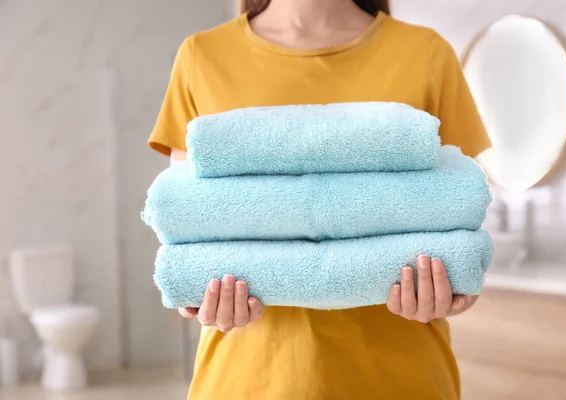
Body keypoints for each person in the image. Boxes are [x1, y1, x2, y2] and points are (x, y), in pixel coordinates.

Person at [148, 0, 491, 398]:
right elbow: (187, 226)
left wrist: (452, 296)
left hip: (401, 380)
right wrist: (197, 298)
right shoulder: (202, 56)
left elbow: (457, 213)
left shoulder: (427, 53)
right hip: (248, 383)